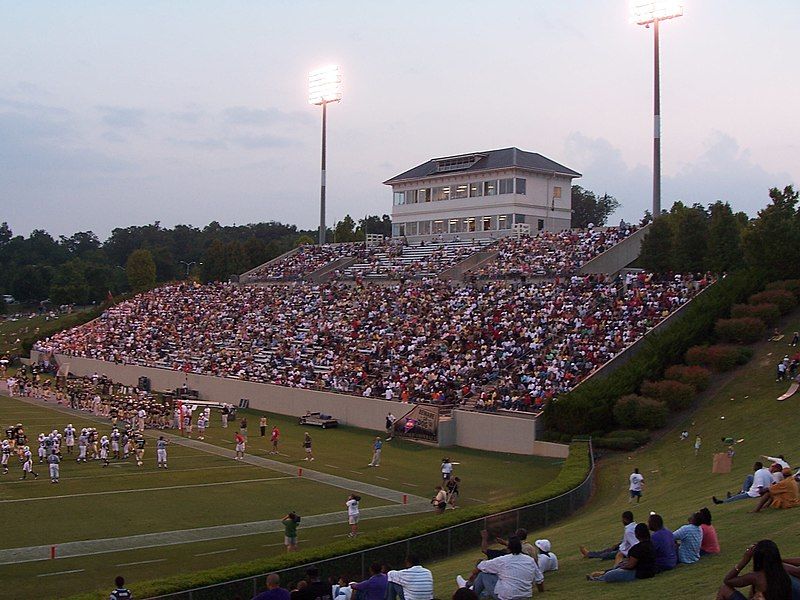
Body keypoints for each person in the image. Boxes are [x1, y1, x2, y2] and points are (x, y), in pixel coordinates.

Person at [465, 537, 544, 598]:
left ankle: (470, 595)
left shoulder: (503, 560)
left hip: (507, 596)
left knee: (483, 575)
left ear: (508, 548)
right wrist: (541, 591)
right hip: (525, 595)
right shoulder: (530, 560)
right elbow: (539, 580)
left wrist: (472, 575)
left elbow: (481, 566)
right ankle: (470, 589)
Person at [716, 540, 794, 600]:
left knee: (724, 589)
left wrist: (744, 561)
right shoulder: (784, 570)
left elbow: (728, 580)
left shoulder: (756, 577)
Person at [587, 523, 656, 583]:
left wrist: (622, 566)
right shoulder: (652, 544)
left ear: (637, 535)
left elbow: (630, 565)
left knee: (610, 575)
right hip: (651, 571)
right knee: (619, 565)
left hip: (639, 574)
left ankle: (598, 578)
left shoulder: (636, 549)